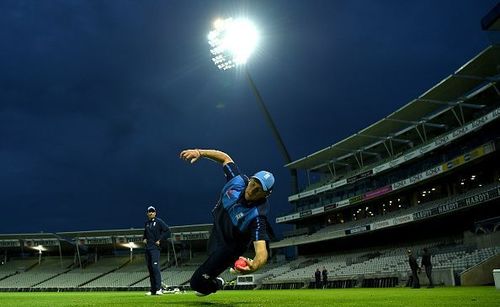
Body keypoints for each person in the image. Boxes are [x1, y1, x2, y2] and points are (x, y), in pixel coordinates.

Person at [180, 148, 275, 296]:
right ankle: (212, 277)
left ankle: (218, 283)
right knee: (209, 256)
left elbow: (262, 251)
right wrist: (199, 153)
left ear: (266, 195)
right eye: (254, 182)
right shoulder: (237, 181)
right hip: (218, 230)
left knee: (197, 284)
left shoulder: (257, 216)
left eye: (259, 188)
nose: (253, 189)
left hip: (230, 248)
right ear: (250, 179)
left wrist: (255, 265)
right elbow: (225, 158)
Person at [142, 205, 170, 296]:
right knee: (150, 269)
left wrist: (160, 240)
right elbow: (145, 234)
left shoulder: (159, 221)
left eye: (152, 211)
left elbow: (167, 231)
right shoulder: (146, 223)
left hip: (155, 249)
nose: (151, 213)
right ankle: (153, 290)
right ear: (147, 213)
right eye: (149, 212)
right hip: (147, 249)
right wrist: (144, 239)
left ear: (155, 213)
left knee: (155, 268)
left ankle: (158, 289)